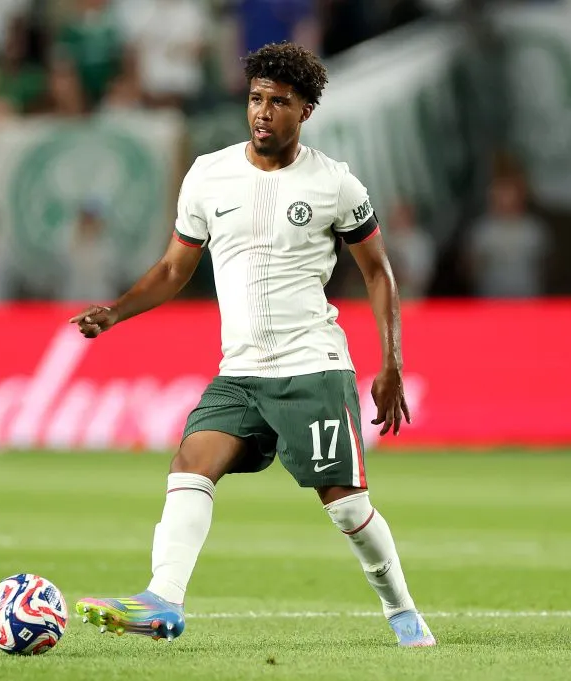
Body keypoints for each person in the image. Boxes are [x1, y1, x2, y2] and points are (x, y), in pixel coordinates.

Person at [68, 41, 435, 648]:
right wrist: (115, 312)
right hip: (239, 372)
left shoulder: (334, 184)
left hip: (312, 368)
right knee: (190, 464)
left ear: (305, 111)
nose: (263, 112)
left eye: (279, 102)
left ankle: (403, 613)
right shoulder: (209, 174)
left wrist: (391, 362)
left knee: (345, 506)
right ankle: (163, 601)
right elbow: (172, 269)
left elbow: (377, 271)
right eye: (256, 99)